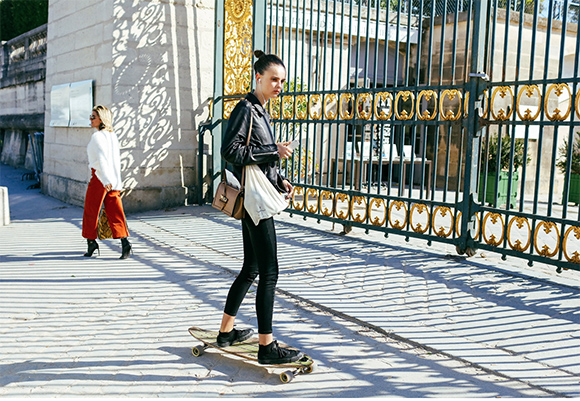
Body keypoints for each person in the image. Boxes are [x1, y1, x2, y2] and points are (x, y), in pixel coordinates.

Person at [218, 50, 303, 365]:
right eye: (274, 79)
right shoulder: (246, 109)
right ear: (259, 78)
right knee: (269, 272)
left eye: (282, 80)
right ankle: (267, 347)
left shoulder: (261, 111)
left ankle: (226, 332)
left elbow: (260, 159)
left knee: (251, 268)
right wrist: (273, 150)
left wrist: (280, 180)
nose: (279, 85)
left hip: (259, 195)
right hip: (255, 202)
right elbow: (230, 150)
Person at [81, 105, 132, 259]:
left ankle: (91, 242)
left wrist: (105, 179)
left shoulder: (97, 137)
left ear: (102, 119)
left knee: (91, 211)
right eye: (90, 116)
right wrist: (113, 180)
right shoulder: (112, 136)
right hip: (113, 178)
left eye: (94, 117)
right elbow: (115, 161)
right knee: (115, 211)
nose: (90, 119)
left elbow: (102, 159)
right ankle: (125, 243)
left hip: (100, 177)